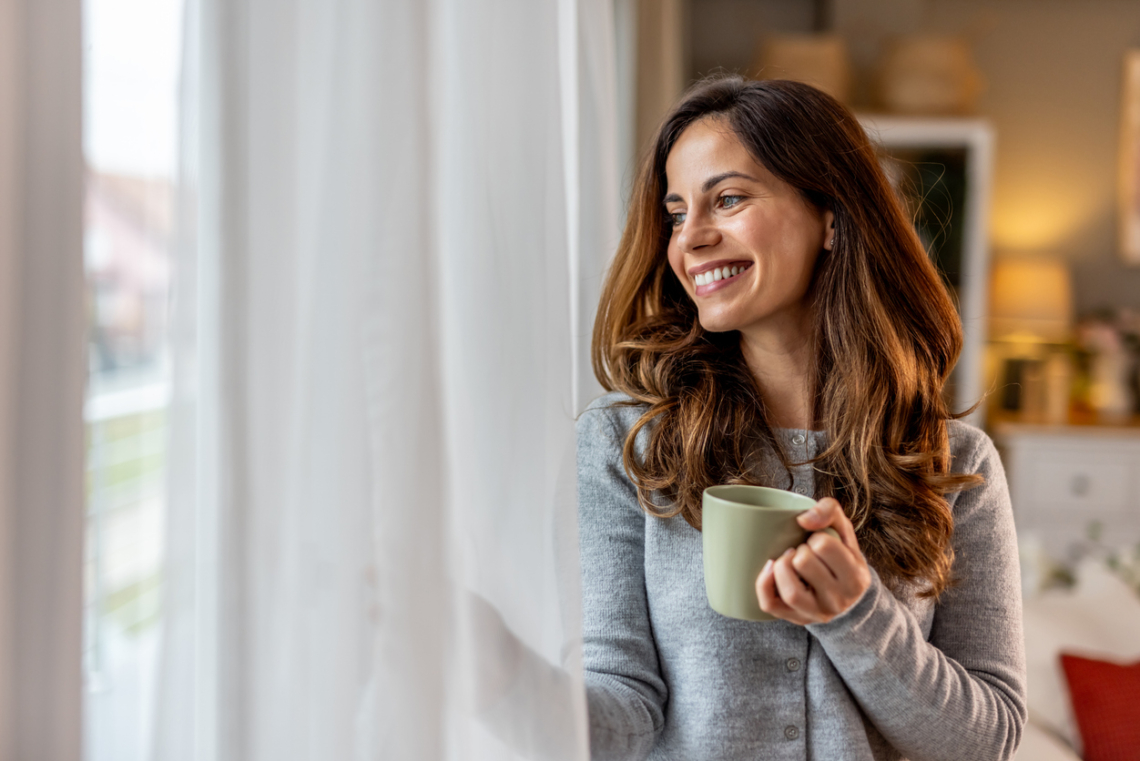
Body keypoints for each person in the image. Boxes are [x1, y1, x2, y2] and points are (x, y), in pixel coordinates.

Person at [576, 76, 1026, 760]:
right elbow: (623, 705)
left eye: (728, 199)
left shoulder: (955, 464)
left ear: (832, 218)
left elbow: (988, 738)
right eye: (675, 213)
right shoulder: (628, 443)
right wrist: (503, 677)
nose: (690, 238)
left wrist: (858, 614)